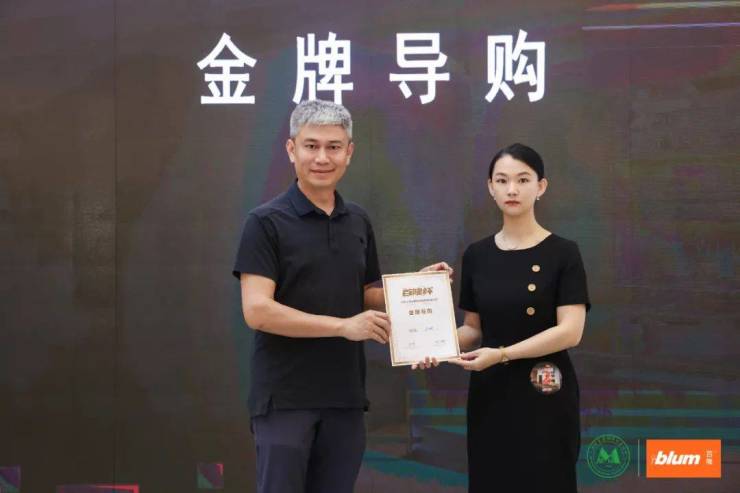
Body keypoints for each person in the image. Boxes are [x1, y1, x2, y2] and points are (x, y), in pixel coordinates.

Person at [233, 99, 449, 493]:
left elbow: (364, 294)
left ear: (349, 152)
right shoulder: (264, 222)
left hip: (345, 397)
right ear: (291, 149)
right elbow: (258, 310)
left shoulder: (358, 220)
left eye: (333, 146)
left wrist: (414, 289)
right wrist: (343, 327)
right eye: (311, 146)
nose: (322, 157)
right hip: (285, 399)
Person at [415, 143, 590, 492]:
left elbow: (570, 332)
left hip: (545, 388)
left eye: (523, 180)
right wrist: (431, 345)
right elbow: (472, 329)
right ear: (490, 187)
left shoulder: (563, 253)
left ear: (541, 187)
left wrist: (502, 354)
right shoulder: (477, 255)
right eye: (502, 180)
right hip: (491, 392)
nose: (512, 189)